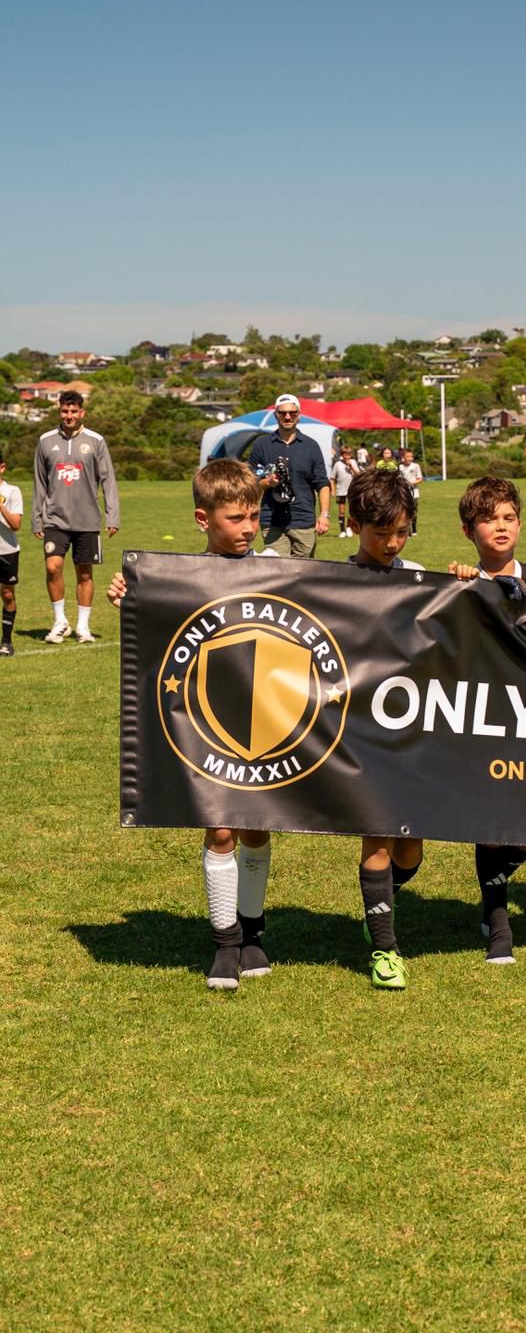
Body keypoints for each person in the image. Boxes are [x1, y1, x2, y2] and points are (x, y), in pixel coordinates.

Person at [107, 460, 276, 990]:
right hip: (207, 725)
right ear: (204, 519)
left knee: (256, 825)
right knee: (220, 826)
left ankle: (253, 931)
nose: (248, 528)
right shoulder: (181, 576)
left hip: (270, 720)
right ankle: (226, 942)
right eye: (235, 519)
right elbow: (159, 629)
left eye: (254, 516)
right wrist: (131, 597)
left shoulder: (277, 568)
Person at [449, 475, 526, 964]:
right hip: (484, 717)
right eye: (488, 519)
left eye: (509, 518)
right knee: (492, 820)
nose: (501, 527)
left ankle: (494, 888)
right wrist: (463, 591)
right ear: (468, 530)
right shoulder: (459, 583)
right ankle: (497, 918)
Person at [346, 469, 424, 989]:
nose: (393, 544)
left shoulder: (417, 575)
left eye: (401, 531)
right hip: (359, 731)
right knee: (377, 836)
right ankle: (385, 950)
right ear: (354, 526)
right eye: (381, 534)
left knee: (410, 846)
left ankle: (381, 897)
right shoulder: (329, 581)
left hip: (415, 729)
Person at [32, 390, 120, 644]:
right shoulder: (45, 441)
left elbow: (108, 480)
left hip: (87, 520)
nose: (69, 415)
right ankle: (60, 622)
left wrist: (112, 516)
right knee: (53, 567)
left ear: (82, 413)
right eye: (64, 411)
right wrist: (37, 517)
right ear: (59, 411)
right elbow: (39, 482)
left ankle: (83, 627)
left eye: (73, 411)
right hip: (54, 519)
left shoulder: (96, 441)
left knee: (84, 574)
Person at [247, 395, 330, 558]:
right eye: (282, 413)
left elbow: (322, 484)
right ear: (275, 415)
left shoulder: (311, 446)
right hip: (271, 520)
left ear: (299, 415)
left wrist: (324, 514)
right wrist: (267, 482)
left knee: (303, 573)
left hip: (303, 520)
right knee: (279, 570)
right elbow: (249, 485)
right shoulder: (261, 445)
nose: (287, 417)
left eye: (292, 413)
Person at [0, 446, 23, 657]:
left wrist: (1, 506)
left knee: (7, 594)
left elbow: (16, 524)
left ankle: (6, 641)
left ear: (2, 468)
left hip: (6, 551)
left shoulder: (12, 491)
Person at [329, 444, 357, 538]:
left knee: (351, 511)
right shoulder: (337, 464)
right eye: (345, 454)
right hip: (341, 491)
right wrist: (332, 489)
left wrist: (351, 467)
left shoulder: (353, 462)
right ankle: (342, 530)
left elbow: (358, 474)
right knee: (341, 511)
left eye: (349, 454)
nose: (347, 456)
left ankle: (349, 527)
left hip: (352, 490)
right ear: (342, 454)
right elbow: (332, 478)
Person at [398, 447, 424, 533]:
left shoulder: (416, 466)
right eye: (407, 457)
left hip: (414, 493)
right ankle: (407, 529)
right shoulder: (400, 467)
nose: (410, 459)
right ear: (403, 457)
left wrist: (413, 483)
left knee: (413, 510)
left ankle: (414, 526)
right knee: (404, 511)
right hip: (403, 493)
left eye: (411, 457)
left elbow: (420, 478)